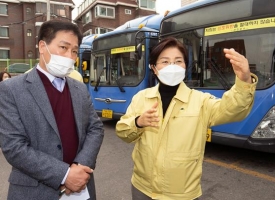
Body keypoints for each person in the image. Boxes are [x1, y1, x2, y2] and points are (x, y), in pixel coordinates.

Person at [116, 37, 258, 200]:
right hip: (142, 188)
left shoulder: (200, 101)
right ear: (154, 68)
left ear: (185, 66)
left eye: (178, 61)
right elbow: (122, 131)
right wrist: (138, 122)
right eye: (165, 61)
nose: (172, 67)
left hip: (182, 194)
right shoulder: (142, 98)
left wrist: (244, 81)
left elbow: (233, 109)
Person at [0, 20, 104, 200]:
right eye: (63, 47)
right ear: (42, 46)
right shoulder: (11, 89)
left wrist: (80, 166)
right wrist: (65, 175)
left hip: (81, 188)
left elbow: (95, 128)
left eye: (74, 51)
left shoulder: (79, 88)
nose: (70, 57)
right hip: (33, 191)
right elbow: (14, 147)